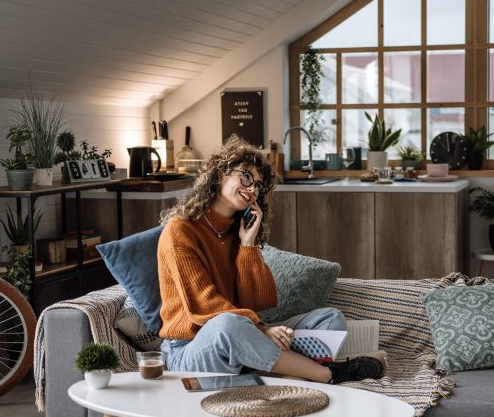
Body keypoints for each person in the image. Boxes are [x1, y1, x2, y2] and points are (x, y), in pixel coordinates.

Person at [157, 136, 384, 384]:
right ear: (221, 173)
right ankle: (325, 374)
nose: (252, 189)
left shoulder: (238, 232)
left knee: (330, 319)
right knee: (227, 325)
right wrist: (262, 330)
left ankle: (275, 376)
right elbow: (205, 306)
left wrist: (247, 245)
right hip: (191, 350)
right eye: (246, 177)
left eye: (258, 185)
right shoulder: (180, 231)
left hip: (245, 336)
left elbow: (258, 300)